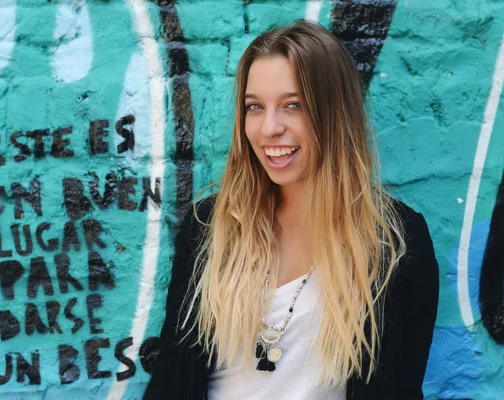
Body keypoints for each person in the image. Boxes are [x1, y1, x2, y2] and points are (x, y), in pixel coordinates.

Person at [144, 20, 439, 400]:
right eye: (255, 107)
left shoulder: (396, 244)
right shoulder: (210, 229)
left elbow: (400, 389)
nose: (269, 128)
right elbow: (170, 379)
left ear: (334, 113)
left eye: (293, 105)